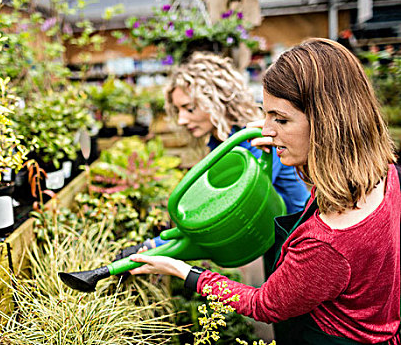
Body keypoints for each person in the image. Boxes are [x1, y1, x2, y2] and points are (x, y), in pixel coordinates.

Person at [129, 38, 401, 344]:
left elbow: (264, 304)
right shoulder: (385, 174)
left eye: (281, 119)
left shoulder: (325, 242)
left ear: (327, 124)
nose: (265, 130)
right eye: (267, 114)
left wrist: (185, 272)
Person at [116, 52, 309, 257]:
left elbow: (227, 207)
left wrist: (155, 246)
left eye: (189, 109)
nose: (181, 119)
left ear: (215, 102)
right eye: (178, 110)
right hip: (271, 234)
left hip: (298, 234)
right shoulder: (219, 142)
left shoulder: (256, 140)